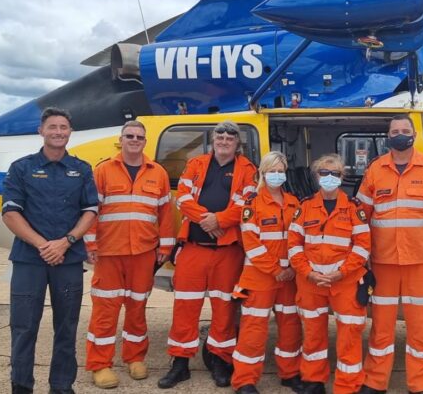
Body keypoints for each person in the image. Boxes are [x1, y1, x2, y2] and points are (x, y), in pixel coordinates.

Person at [357, 115, 423, 394]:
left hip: (421, 262)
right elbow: (360, 217)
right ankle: (375, 382)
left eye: (405, 130)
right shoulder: (375, 170)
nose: (400, 134)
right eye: (395, 131)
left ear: (413, 135)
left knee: (420, 328)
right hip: (383, 262)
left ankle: (420, 385)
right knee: (381, 327)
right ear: (388, 136)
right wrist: (360, 254)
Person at [1, 107, 98, 394]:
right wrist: (44, 245)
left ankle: (61, 386)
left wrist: (65, 242)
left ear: (70, 132)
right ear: (41, 131)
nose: (58, 132)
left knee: (67, 329)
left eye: (63, 127)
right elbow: (10, 213)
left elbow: (90, 210)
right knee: (23, 328)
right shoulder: (21, 168)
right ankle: (21, 386)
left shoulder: (81, 169)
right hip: (29, 260)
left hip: (68, 262)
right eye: (52, 127)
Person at [159, 120, 258, 389]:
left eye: (230, 136)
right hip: (194, 247)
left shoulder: (248, 169)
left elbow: (246, 203)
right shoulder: (196, 164)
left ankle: (220, 362)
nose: (224, 140)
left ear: (238, 143)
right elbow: (183, 196)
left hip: (228, 252)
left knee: (225, 309)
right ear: (213, 139)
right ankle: (180, 364)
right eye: (220, 135)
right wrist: (207, 220)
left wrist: (220, 221)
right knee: (185, 307)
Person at [84, 121, 174, 389]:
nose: (134, 140)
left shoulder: (157, 173)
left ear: (145, 142)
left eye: (139, 137)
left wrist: (165, 247)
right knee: (105, 311)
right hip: (110, 253)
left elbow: (165, 214)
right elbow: (91, 211)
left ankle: (135, 358)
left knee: (137, 309)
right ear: (120, 140)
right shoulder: (103, 171)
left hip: (143, 254)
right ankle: (100, 365)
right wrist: (90, 245)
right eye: (129, 136)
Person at [288, 154, 372, 394]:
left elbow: (363, 245)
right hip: (310, 282)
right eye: (324, 173)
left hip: (345, 282)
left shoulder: (355, 208)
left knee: (349, 335)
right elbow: (293, 244)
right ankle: (313, 381)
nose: (329, 178)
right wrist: (308, 272)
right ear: (316, 176)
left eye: (334, 174)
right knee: (313, 334)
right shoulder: (304, 207)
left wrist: (341, 272)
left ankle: (347, 385)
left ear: (342, 177)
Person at [230, 151, 304, 394]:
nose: (276, 175)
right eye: (272, 171)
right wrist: (276, 270)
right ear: (262, 173)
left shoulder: (294, 203)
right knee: (253, 328)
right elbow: (251, 243)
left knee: (291, 325)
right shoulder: (252, 204)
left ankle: (290, 373)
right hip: (261, 277)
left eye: (281, 171)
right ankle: (245, 380)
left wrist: (293, 268)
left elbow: (301, 240)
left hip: (290, 277)